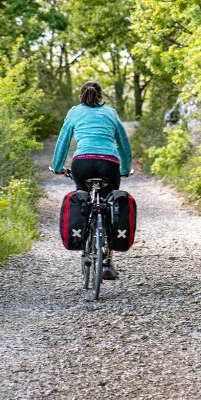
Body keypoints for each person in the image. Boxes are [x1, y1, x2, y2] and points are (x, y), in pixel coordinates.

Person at [52, 80, 132, 280]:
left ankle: (85, 239)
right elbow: (123, 142)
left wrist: (59, 166)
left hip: (82, 163)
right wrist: (124, 168)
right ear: (101, 96)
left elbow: (63, 140)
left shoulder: (74, 112)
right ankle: (107, 262)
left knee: (84, 199)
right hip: (109, 164)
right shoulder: (111, 113)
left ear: (81, 96)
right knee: (109, 204)